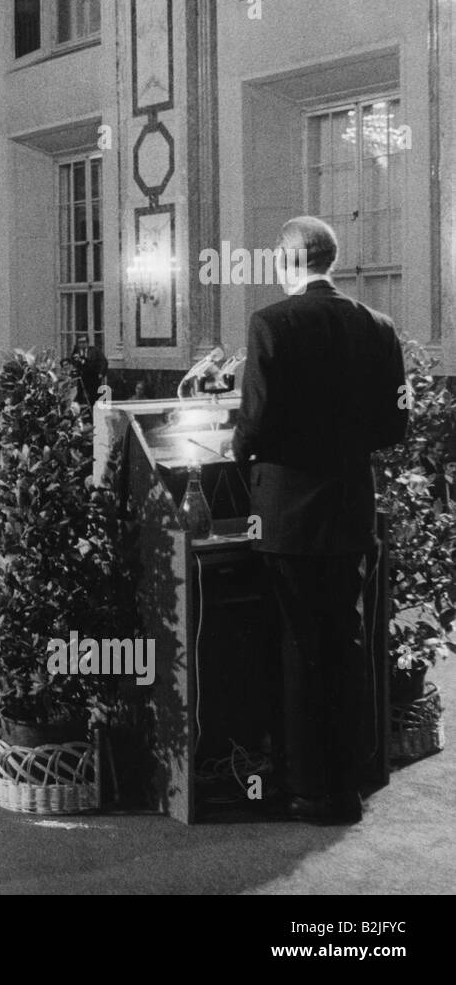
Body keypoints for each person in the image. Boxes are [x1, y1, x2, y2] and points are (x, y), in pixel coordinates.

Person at [232, 215, 408, 826]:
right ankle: (348, 784)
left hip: (287, 513)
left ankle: (306, 789)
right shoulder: (378, 326)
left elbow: (253, 423)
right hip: (351, 511)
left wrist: (239, 454)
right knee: (348, 644)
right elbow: (394, 426)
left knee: (300, 649)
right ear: (330, 259)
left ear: (287, 260)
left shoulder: (271, 322)